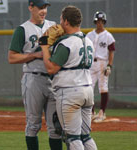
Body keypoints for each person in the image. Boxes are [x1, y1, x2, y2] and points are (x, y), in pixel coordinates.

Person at [40, 5, 97, 150]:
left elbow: (51, 68)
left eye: (61, 19)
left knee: (72, 138)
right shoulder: (88, 40)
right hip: (88, 91)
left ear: (66, 22)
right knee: (86, 136)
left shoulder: (66, 43)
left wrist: (44, 46)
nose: (59, 23)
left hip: (70, 92)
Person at [8, 0, 62, 150]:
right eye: (40, 7)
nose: (43, 11)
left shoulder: (54, 26)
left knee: (56, 127)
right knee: (33, 125)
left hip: (53, 79)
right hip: (33, 78)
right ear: (31, 7)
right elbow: (12, 58)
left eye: (45, 7)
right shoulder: (23, 29)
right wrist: (34, 55)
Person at [86, 11, 116, 123]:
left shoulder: (108, 36)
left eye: (101, 21)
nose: (99, 23)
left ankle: (102, 112)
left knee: (103, 87)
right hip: (91, 63)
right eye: (98, 21)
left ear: (104, 22)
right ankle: (91, 112)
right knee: (89, 87)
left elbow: (111, 51)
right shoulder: (89, 35)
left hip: (102, 62)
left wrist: (110, 65)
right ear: (95, 22)